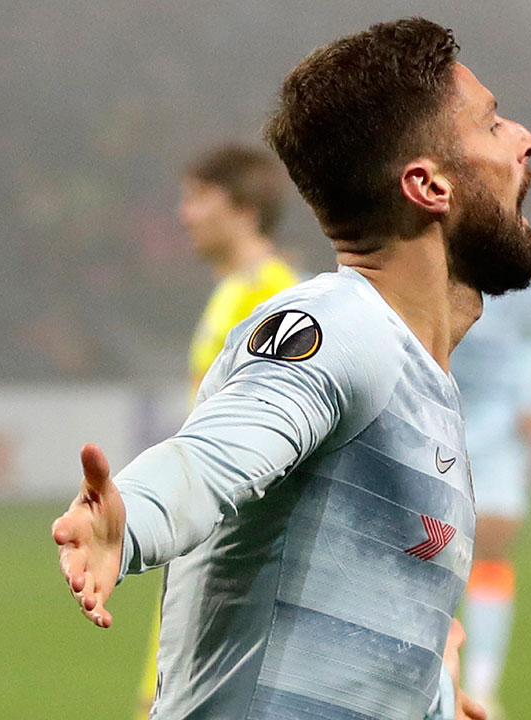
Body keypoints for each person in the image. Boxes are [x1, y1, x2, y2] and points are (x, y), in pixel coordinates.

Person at [52, 17, 531, 720]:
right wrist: (130, 520)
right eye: (492, 125)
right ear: (428, 184)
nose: (525, 138)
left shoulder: (420, 381)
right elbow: (221, 449)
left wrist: (429, 691)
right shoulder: (342, 325)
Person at [133, 143, 301, 719]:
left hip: (235, 554)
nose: (185, 214)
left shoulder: (274, 294)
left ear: (245, 210)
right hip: (202, 541)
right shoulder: (234, 288)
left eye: (199, 198)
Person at [450, 263, 531, 716]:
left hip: (499, 416)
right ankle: (432, 675)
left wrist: (530, 397)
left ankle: (482, 685)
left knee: (492, 542)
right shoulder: (433, 250)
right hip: (436, 401)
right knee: (424, 541)